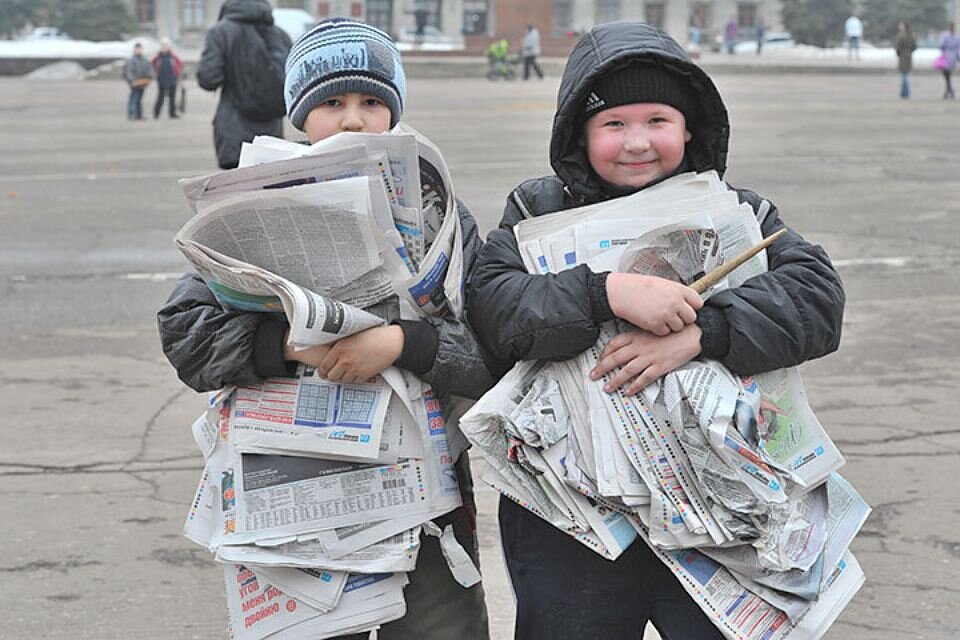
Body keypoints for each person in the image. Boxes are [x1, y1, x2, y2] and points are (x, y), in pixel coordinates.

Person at [466, 21, 845, 640]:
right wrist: (604, 293)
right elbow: (494, 309)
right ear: (579, 133)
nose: (637, 142)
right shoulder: (536, 211)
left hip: (716, 508)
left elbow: (816, 299)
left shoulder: (737, 209)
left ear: (689, 127)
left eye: (657, 120)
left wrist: (705, 331)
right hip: (577, 518)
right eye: (613, 123)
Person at [159, 18, 494, 640]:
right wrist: (286, 346)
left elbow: (491, 349)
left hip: (422, 486)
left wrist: (405, 342)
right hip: (292, 478)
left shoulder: (441, 215)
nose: (353, 121)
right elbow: (186, 335)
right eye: (331, 104)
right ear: (300, 115)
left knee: (438, 624)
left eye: (372, 102)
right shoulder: (253, 207)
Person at [196, 0, 292, 169]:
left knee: (236, 183)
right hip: (272, 132)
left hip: (234, 129)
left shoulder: (220, 32)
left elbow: (208, 79)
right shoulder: (279, 34)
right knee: (270, 181)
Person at [151, 38, 183, 119]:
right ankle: (156, 113)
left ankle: (172, 113)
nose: (164, 47)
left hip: (172, 78)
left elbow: (179, 64)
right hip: (162, 78)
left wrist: (177, 73)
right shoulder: (158, 56)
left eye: (166, 46)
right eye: (163, 46)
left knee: (172, 97)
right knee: (160, 97)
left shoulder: (173, 56)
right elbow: (153, 63)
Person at [122, 42, 152, 120]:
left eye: (140, 49)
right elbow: (128, 72)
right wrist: (132, 80)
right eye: (137, 49)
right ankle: (131, 114)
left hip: (142, 82)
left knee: (139, 99)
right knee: (134, 98)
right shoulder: (131, 60)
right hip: (134, 83)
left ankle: (139, 114)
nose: (139, 50)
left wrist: (148, 78)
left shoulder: (144, 60)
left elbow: (149, 69)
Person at [895, 21, 916, 99]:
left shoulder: (901, 36)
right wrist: (909, 51)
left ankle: (906, 92)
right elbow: (915, 46)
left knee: (904, 75)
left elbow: (898, 47)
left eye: (901, 25)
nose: (900, 27)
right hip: (909, 55)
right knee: (905, 74)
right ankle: (903, 92)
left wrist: (899, 53)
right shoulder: (911, 35)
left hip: (903, 56)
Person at [939, 22, 959, 99]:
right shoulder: (956, 36)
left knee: (947, 74)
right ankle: (949, 90)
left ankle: (949, 90)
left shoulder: (945, 35)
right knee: (947, 74)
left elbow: (941, 45)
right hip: (951, 56)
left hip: (948, 56)